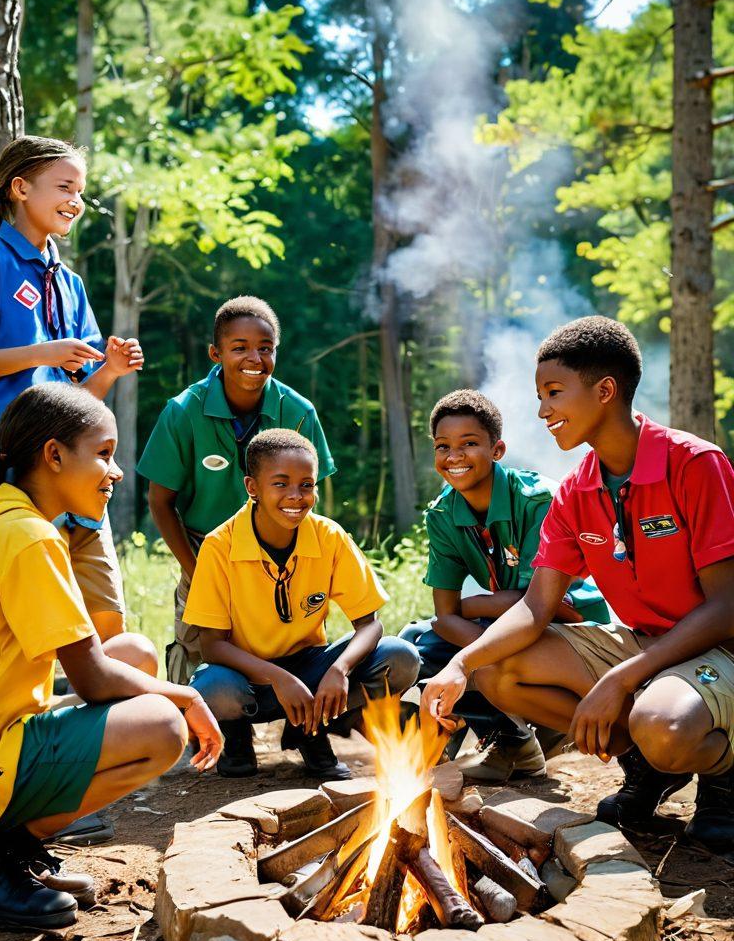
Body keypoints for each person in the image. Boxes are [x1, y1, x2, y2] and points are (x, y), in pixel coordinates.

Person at [0, 383, 223, 931]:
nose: (116, 470)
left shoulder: (3, 521)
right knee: (164, 726)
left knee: (136, 654)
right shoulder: (29, 538)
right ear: (53, 456)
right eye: (103, 453)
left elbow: (98, 661)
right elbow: (94, 680)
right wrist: (187, 692)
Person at [422, 317, 734, 852]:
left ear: (605, 391)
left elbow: (728, 606)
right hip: (644, 642)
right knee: (498, 671)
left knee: (663, 724)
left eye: (553, 393)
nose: (542, 411)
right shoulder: (576, 490)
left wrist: (619, 680)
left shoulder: (694, 464)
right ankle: (646, 767)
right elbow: (535, 606)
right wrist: (460, 665)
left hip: (718, 646)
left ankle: (724, 780)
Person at [0, 135, 141, 646]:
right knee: (4, 630)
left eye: (82, 192)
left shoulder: (71, 283)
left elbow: (79, 401)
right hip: (0, 478)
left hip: (75, 476)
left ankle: (105, 723)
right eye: (65, 187)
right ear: (20, 188)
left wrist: (108, 371)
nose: (76, 201)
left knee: (105, 626)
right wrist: (42, 353)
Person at [183, 428, 420, 778]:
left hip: (310, 669)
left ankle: (310, 729)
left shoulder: (329, 537)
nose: (296, 496)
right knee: (212, 689)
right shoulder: (221, 545)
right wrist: (279, 678)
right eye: (280, 484)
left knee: (399, 657)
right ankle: (235, 736)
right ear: (252, 488)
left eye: (306, 485)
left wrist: (338, 670)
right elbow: (212, 646)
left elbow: (369, 624)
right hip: (245, 675)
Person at [400, 389, 608, 782]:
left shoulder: (538, 500)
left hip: (571, 625)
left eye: (469, 444)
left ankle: (539, 731)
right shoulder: (443, 514)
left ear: (497, 450)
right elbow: (445, 617)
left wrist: (475, 606)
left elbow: (543, 606)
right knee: (417, 642)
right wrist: (475, 632)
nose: (454, 456)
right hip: (515, 620)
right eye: (443, 446)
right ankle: (508, 740)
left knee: (480, 650)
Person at [138, 295, 335, 685]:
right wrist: (195, 571)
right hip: (203, 545)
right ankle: (197, 730)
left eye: (265, 349)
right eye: (239, 348)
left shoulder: (299, 413)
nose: (254, 359)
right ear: (215, 353)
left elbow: (311, 497)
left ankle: (296, 724)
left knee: (284, 640)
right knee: (198, 647)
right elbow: (160, 501)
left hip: (279, 549)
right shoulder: (182, 411)